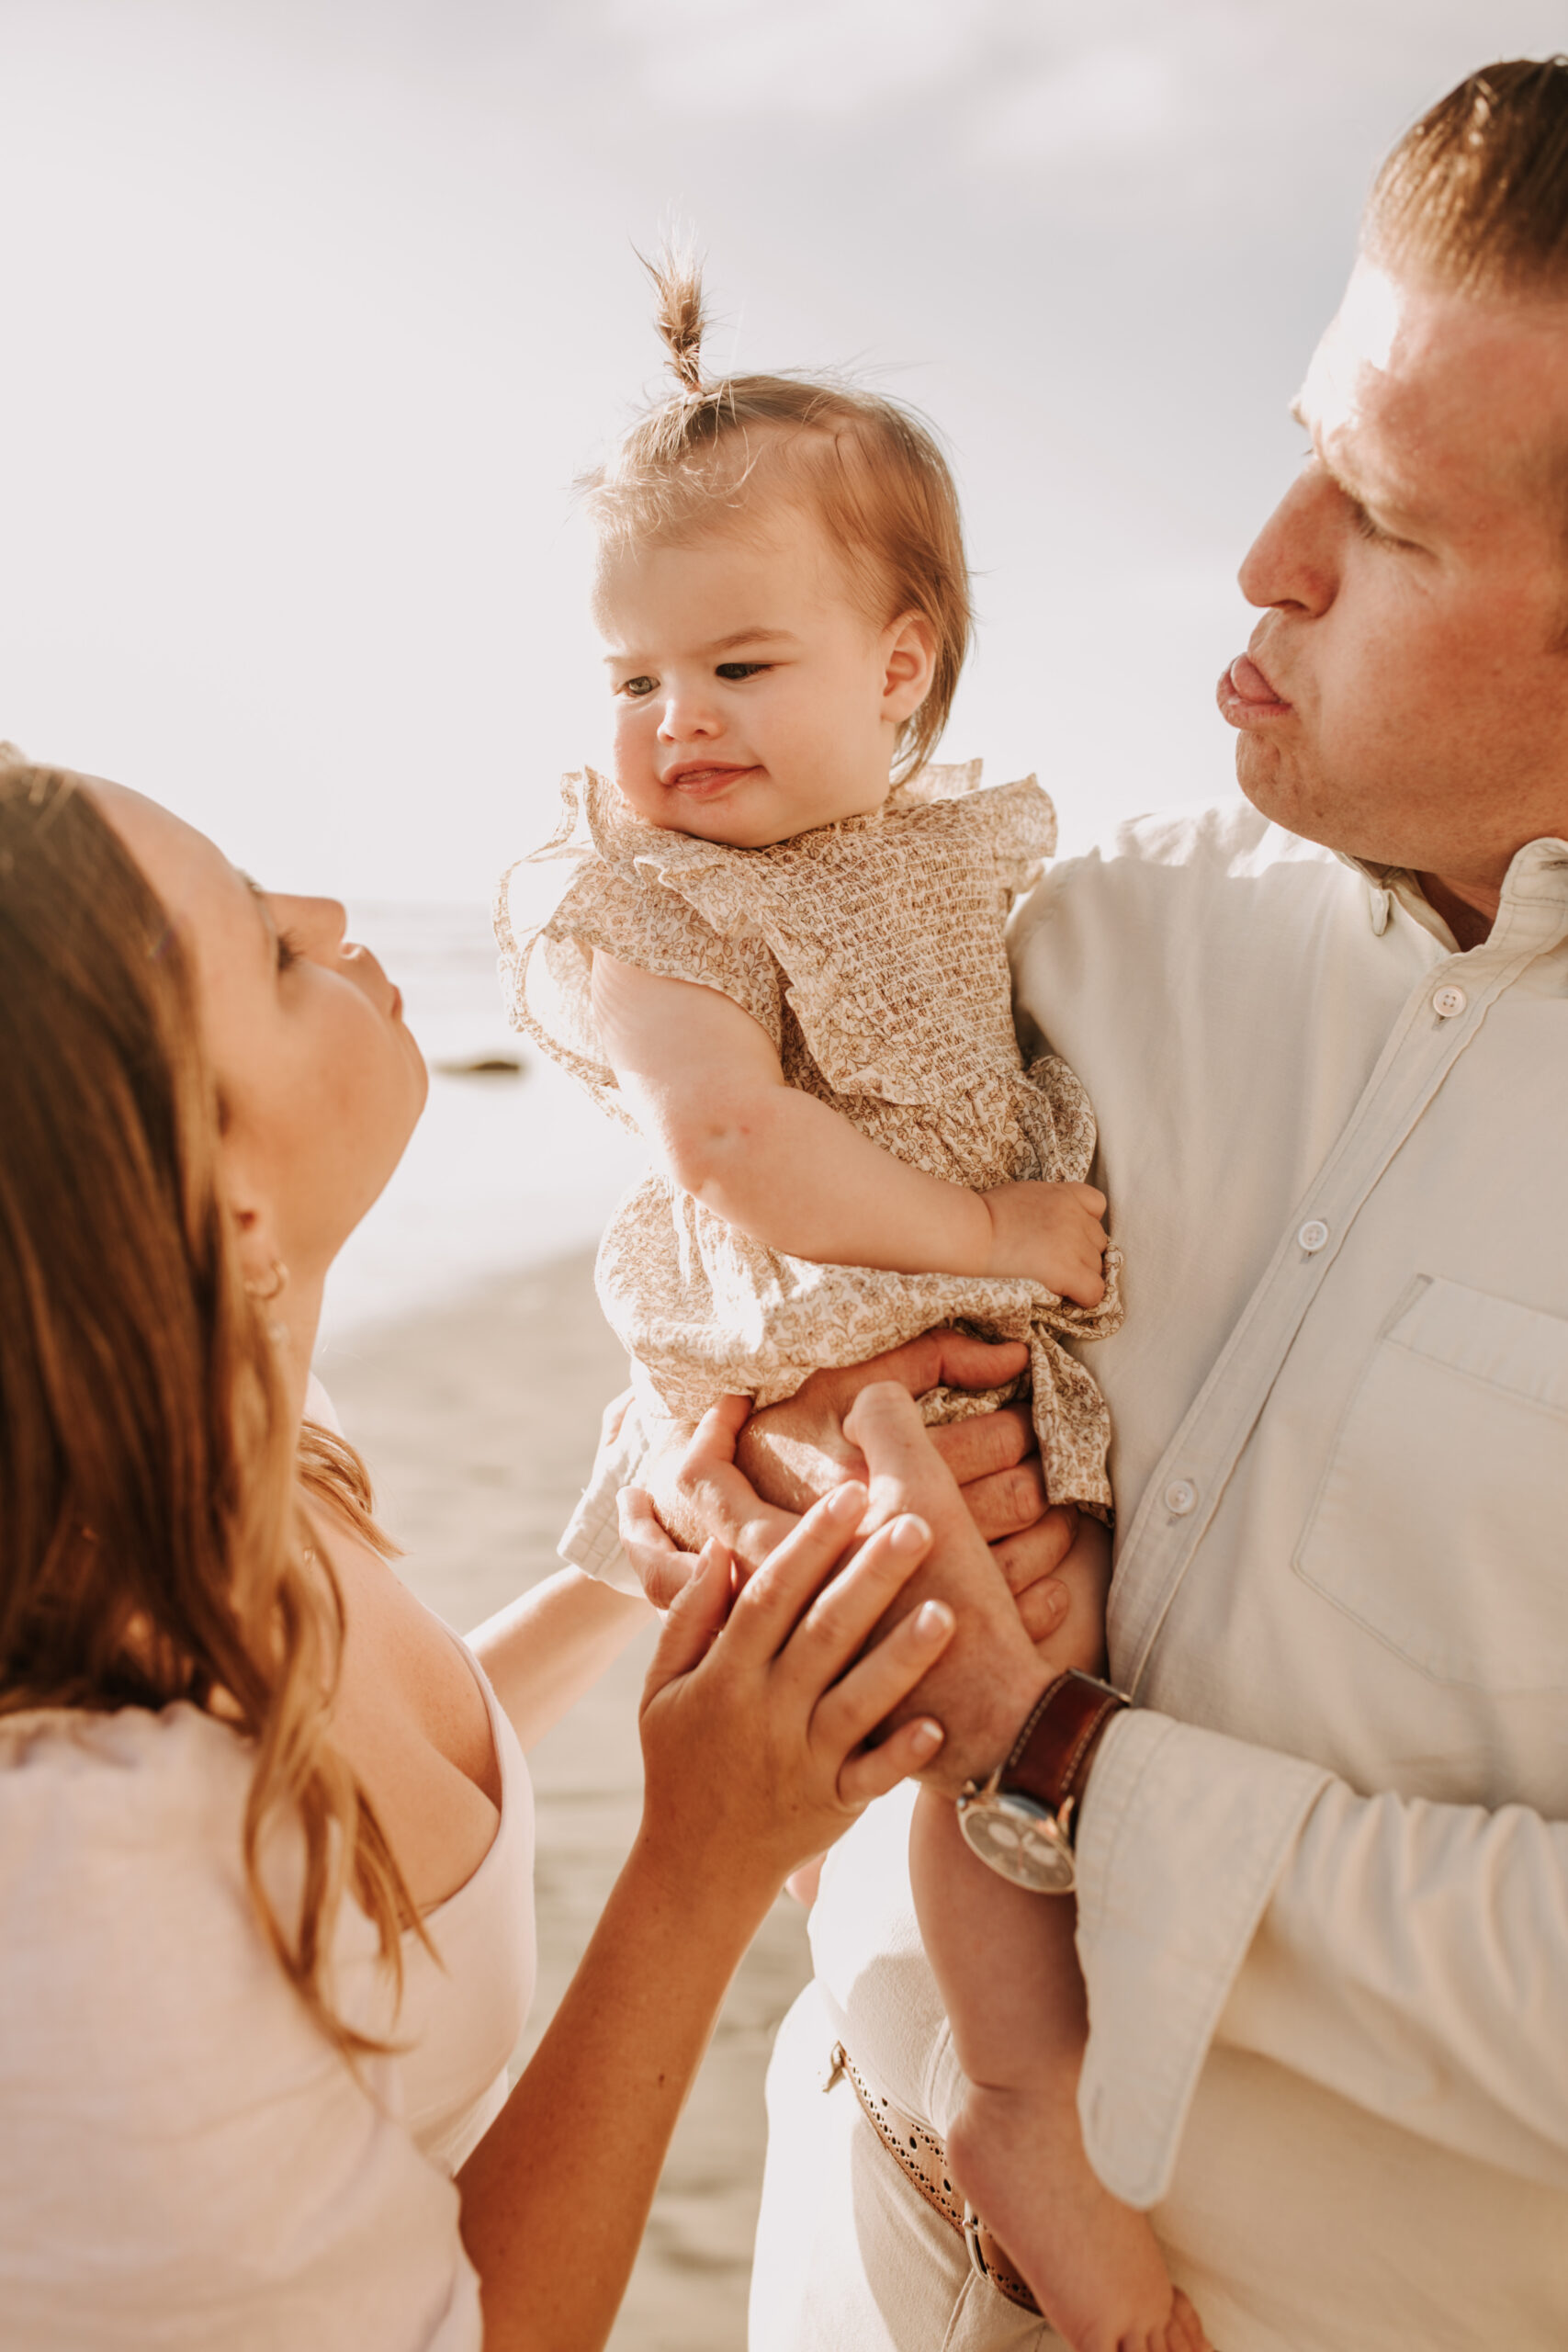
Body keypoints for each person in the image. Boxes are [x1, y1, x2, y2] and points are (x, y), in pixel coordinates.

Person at [572, 56, 1568, 2351]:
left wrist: (1068, 1751)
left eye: (1388, 523)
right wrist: (749, 1475)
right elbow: (710, 1315)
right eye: (1304, 429)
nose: (1262, 557)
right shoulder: (1057, 939)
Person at [0, 752, 974, 2351]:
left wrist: (636, 1521)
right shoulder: (80, 1886)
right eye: (260, 942)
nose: (323, 908)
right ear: (225, 1209)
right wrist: (697, 1865)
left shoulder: (226, 1458)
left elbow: (377, 1814)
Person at [495, 263, 1200, 2348]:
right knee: (954, 1673)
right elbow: (726, 1146)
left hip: (953, 1356)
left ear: (898, 668)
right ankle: (1012, 2109)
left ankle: (912, 1964)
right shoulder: (646, 900)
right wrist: (999, 1228)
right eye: (628, 678)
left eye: (731, 661)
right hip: (812, 1356)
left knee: (1029, 1657)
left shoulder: (940, 858)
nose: (671, 722)